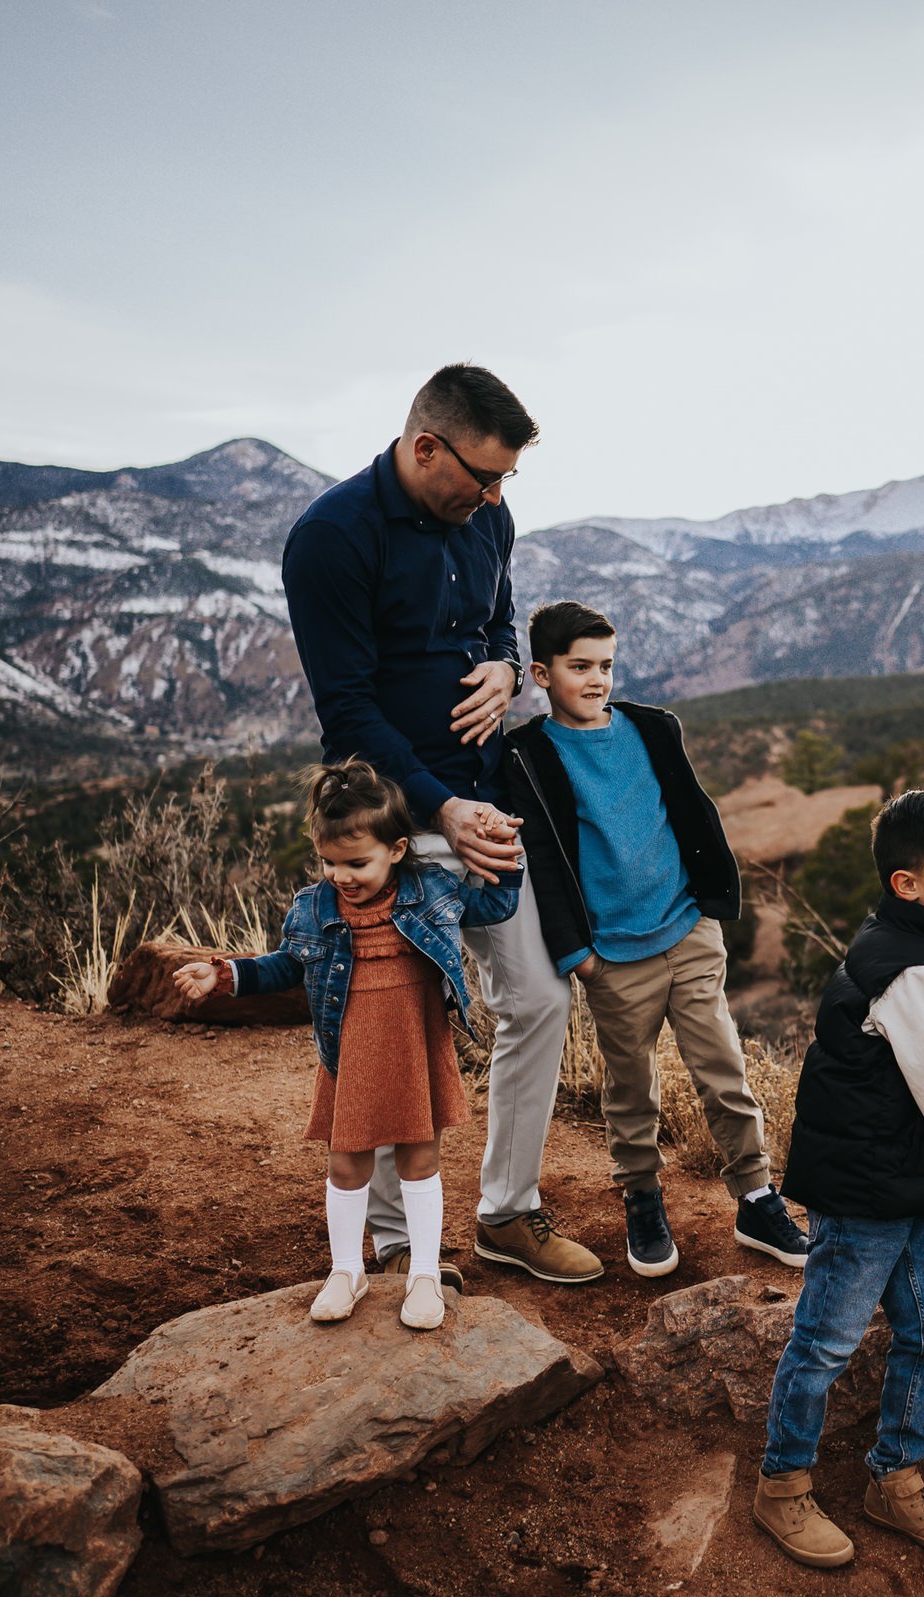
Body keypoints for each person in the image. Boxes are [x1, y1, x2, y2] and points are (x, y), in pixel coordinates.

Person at [281, 364, 600, 1286]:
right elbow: (345, 712)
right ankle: (386, 1245)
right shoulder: (333, 538)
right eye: (484, 476)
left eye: (507, 482)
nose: (497, 498)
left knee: (539, 1000)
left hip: (491, 801)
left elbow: (498, 623)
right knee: (399, 1022)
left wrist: (506, 668)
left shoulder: (486, 518)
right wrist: (441, 810)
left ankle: (508, 1212)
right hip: (403, 818)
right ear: (427, 447)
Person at [753, 790, 924, 1570]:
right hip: (864, 1189)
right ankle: (782, 1483)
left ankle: (894, 1478)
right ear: (908, 885)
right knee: (826, 1340)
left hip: (905, 1186)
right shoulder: (906, 969)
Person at [497, 601, 810, 1277]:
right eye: (579, 667)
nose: (597, 679)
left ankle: (756, 1195)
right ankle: (642, 1197)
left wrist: (708, 910)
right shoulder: (529, 757)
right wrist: (577, 954)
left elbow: (690, 809)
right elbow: (543, 861)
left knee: (723, 1069)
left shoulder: (651, 728)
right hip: (612, 955)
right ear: (542, 675)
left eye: (606, 665)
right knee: (630, 1088)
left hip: (688, 929)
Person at [172, 761, 523, 1331]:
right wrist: (227, 975)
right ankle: (346, 1270)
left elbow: (494, 906)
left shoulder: (430, 890)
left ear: (398, 848)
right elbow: (288, 964)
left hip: (414, 1046)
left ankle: (426, 1274)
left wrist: (509, 852)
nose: (342, 875)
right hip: (351, 1050)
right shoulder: (316, 907)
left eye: (357, 863)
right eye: (330, 862)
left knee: (419, 1158)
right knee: (345, 1162)